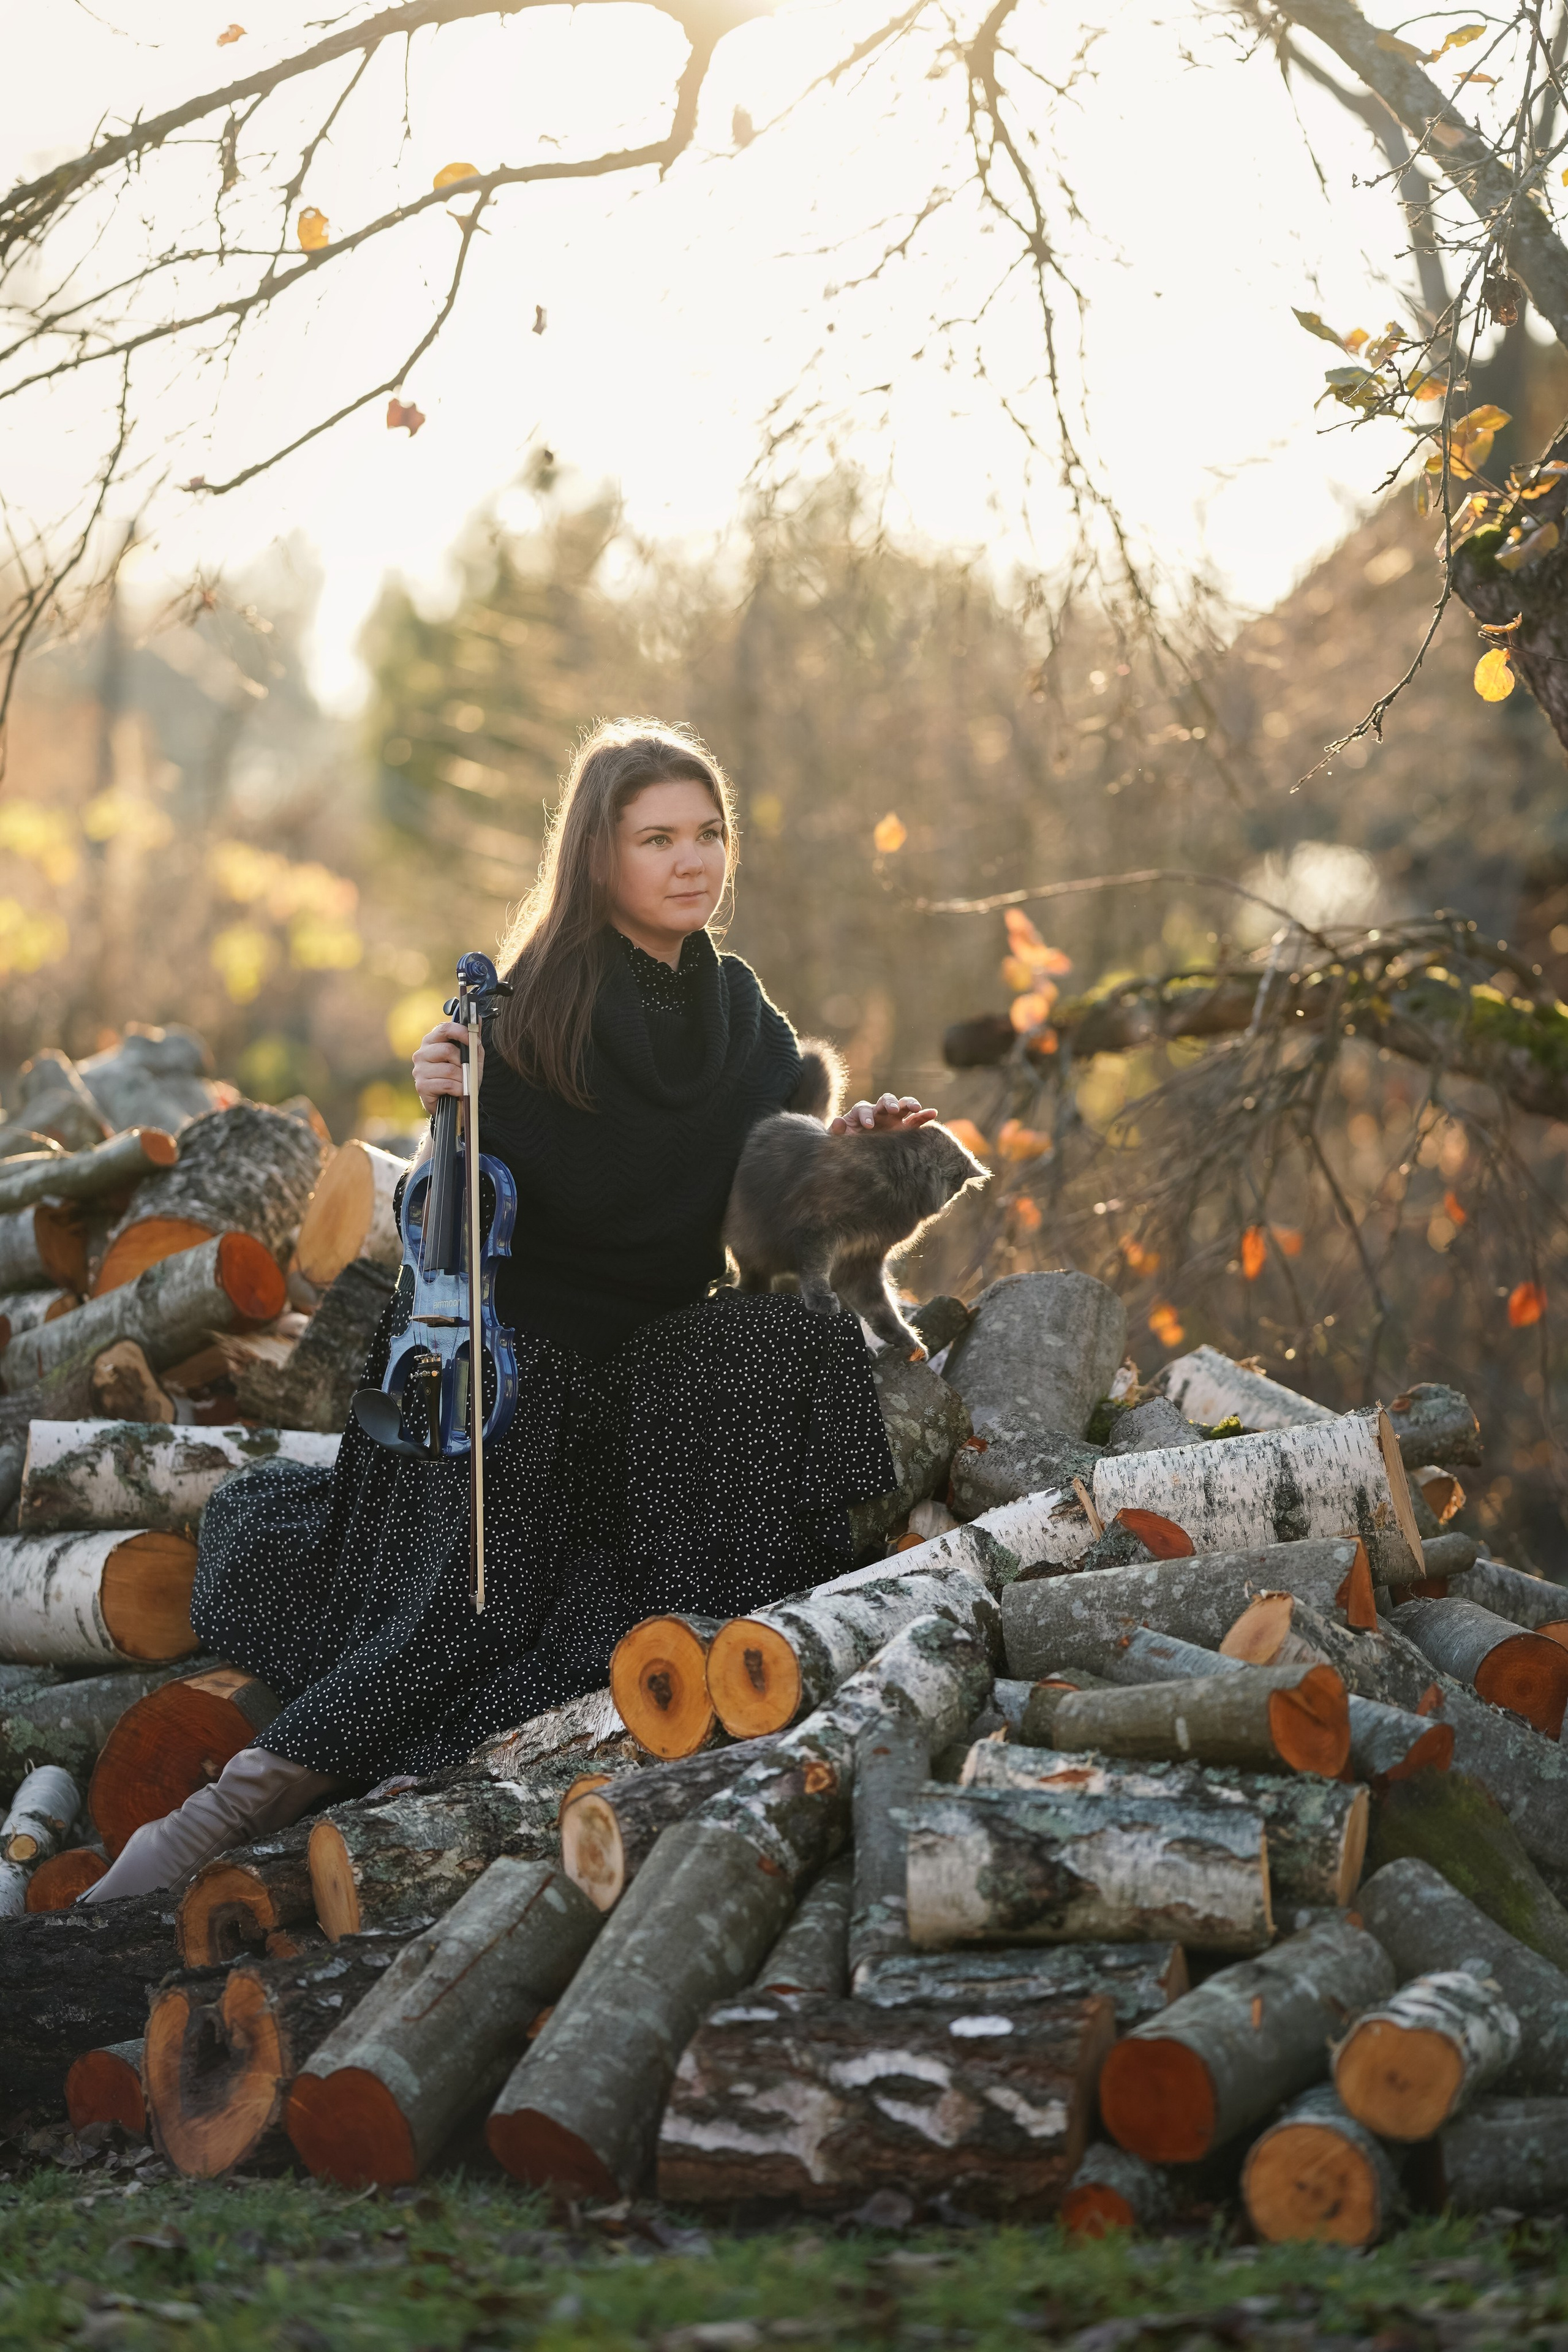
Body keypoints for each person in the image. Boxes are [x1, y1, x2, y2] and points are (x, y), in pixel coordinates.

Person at [86, 718, 938, 1901]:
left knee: (786, 1340)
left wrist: (851, 1156)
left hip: (644, 1371)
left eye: (708, 833)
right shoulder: (513, 1018)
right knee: (473, 1602)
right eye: (658, 839)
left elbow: (757, 1229)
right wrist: (446, 1108)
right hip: (505, 1357)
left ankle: (712, 1665)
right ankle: (242, 1800)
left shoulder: (753, 1032)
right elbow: (451, 1225)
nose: (692, 862)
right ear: (600, 858)